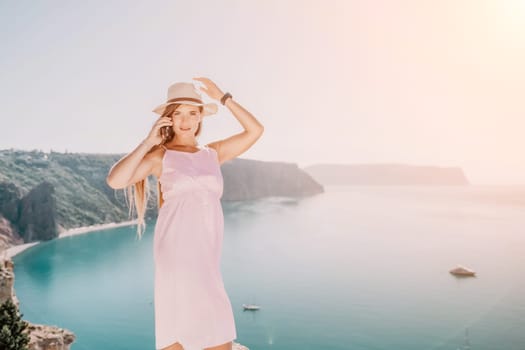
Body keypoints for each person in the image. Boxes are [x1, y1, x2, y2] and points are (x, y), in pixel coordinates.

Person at [106, 77, 264, 350]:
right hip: (175, 253)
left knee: (213, 324)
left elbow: (255, 130)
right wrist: (147, 142)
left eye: (192, 112)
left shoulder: (213, 153)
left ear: (201, 116)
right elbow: (116, 181)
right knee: (182, 325)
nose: (185, 120)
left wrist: (223, 98)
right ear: (168, 118)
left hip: (206, 257)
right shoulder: (161, 155)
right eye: (177, 113)